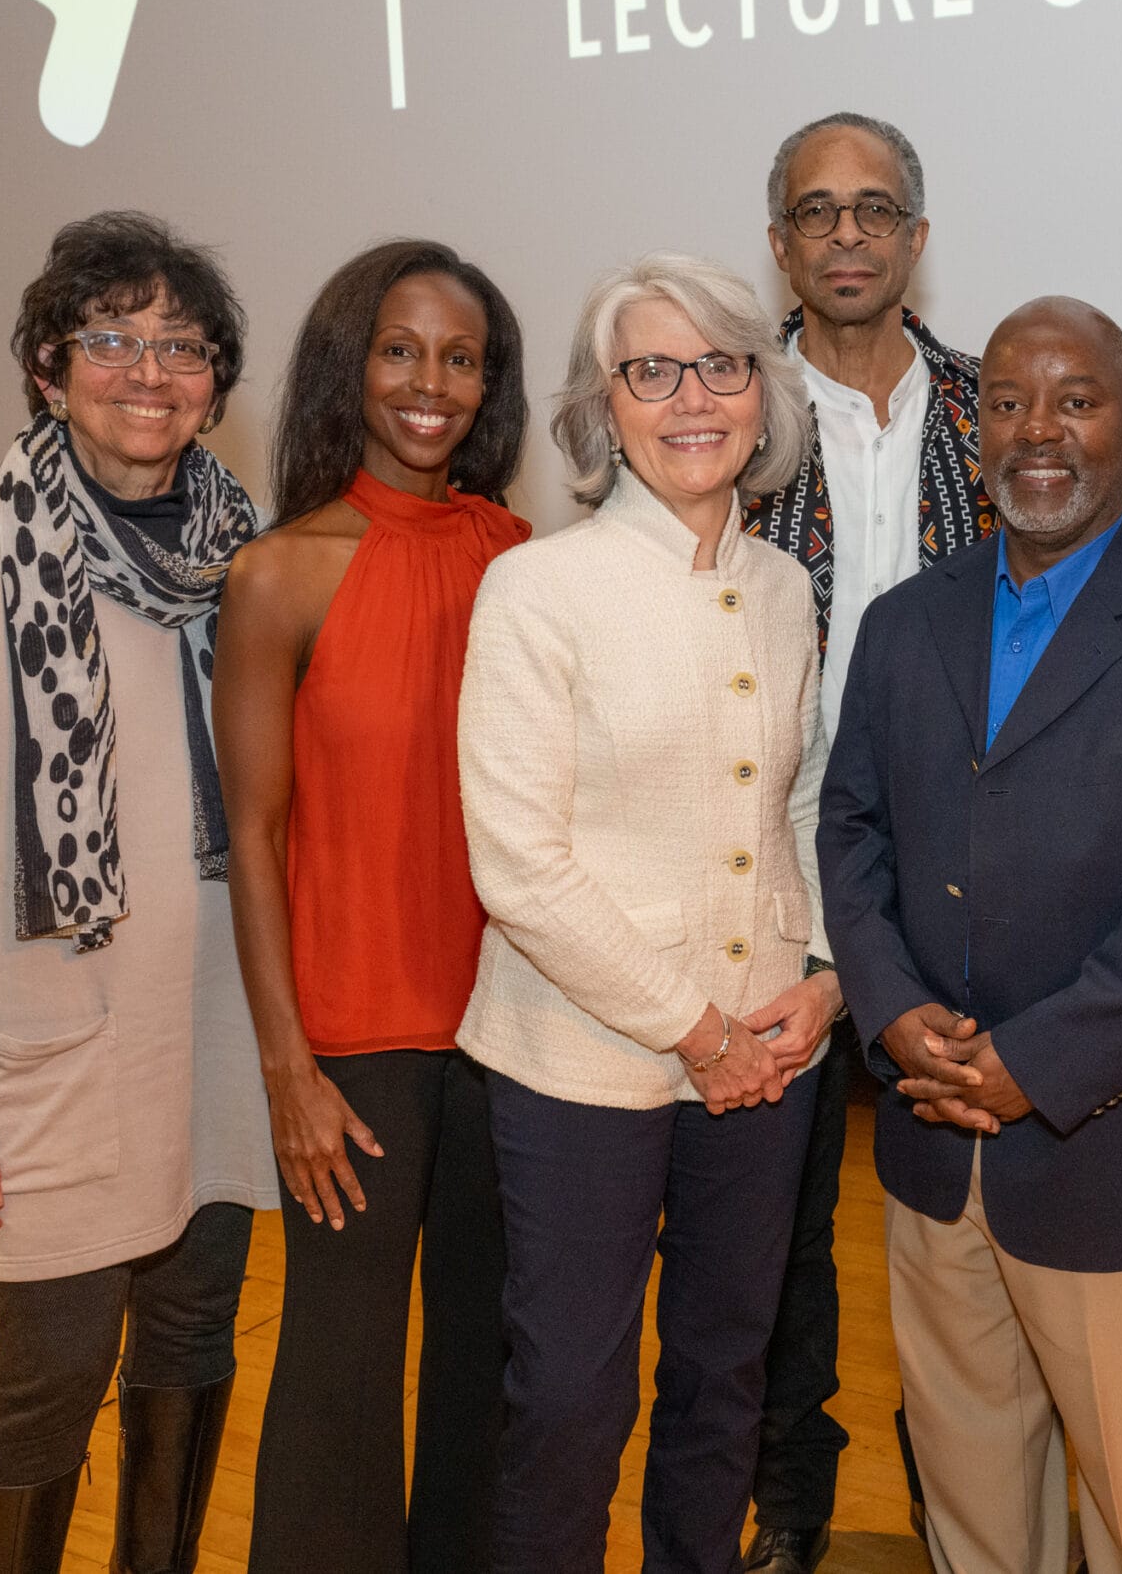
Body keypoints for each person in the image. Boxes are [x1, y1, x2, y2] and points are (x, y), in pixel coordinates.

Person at [820, 294, 1122, 1574]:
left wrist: (1039, 1059)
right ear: (977, 432)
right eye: (1013, 402)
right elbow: (850, 831)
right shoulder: (900, 625)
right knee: (975, 1521)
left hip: (1114, 1158)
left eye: (1077, 399)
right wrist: (886, 1005)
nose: (1042, 430)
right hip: (930, 1151)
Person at [0, 210, 279, 1574]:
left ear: (218, 378)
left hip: (215, 1023)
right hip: (49, 1041)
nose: (148, 370)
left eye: (182, 343)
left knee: (197, 1328)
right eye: (111, 337)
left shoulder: (245, 563)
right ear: (48, 365)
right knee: (49, 1370)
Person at [454, 252, 842, 1573]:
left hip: (767, 1051)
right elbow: (519, 862)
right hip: (582, 1059)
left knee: (725, 1375)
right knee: (569, 1397)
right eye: (651, 369)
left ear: (761, 392)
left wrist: (828, 972)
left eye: (722, 363)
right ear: (604, 403)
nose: (692, 396)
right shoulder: (538, 589)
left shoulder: (787, 591)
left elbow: (799, 807)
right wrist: (694, 1028)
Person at [214, 240, 531, 1573]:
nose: (431, 384)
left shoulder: (518, 555)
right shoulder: (279, 572)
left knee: (481, 1358)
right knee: (340, 1375)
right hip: (353, 1041)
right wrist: (287, 1065)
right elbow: (253, 828)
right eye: (404, 349)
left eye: (462, 358)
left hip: (510, 1026)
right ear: (353, 359)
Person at [742, 109, 996, 1574]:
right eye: (817, 212)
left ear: (914, 236)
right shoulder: (726, 411)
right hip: (764, 861)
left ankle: (967, 1494)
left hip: (960, 863)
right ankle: (790, 1493)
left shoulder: (988, 405)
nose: (847, 234)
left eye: (875, 209)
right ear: (780, 241)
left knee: (956, 1204)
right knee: (771, 1225)